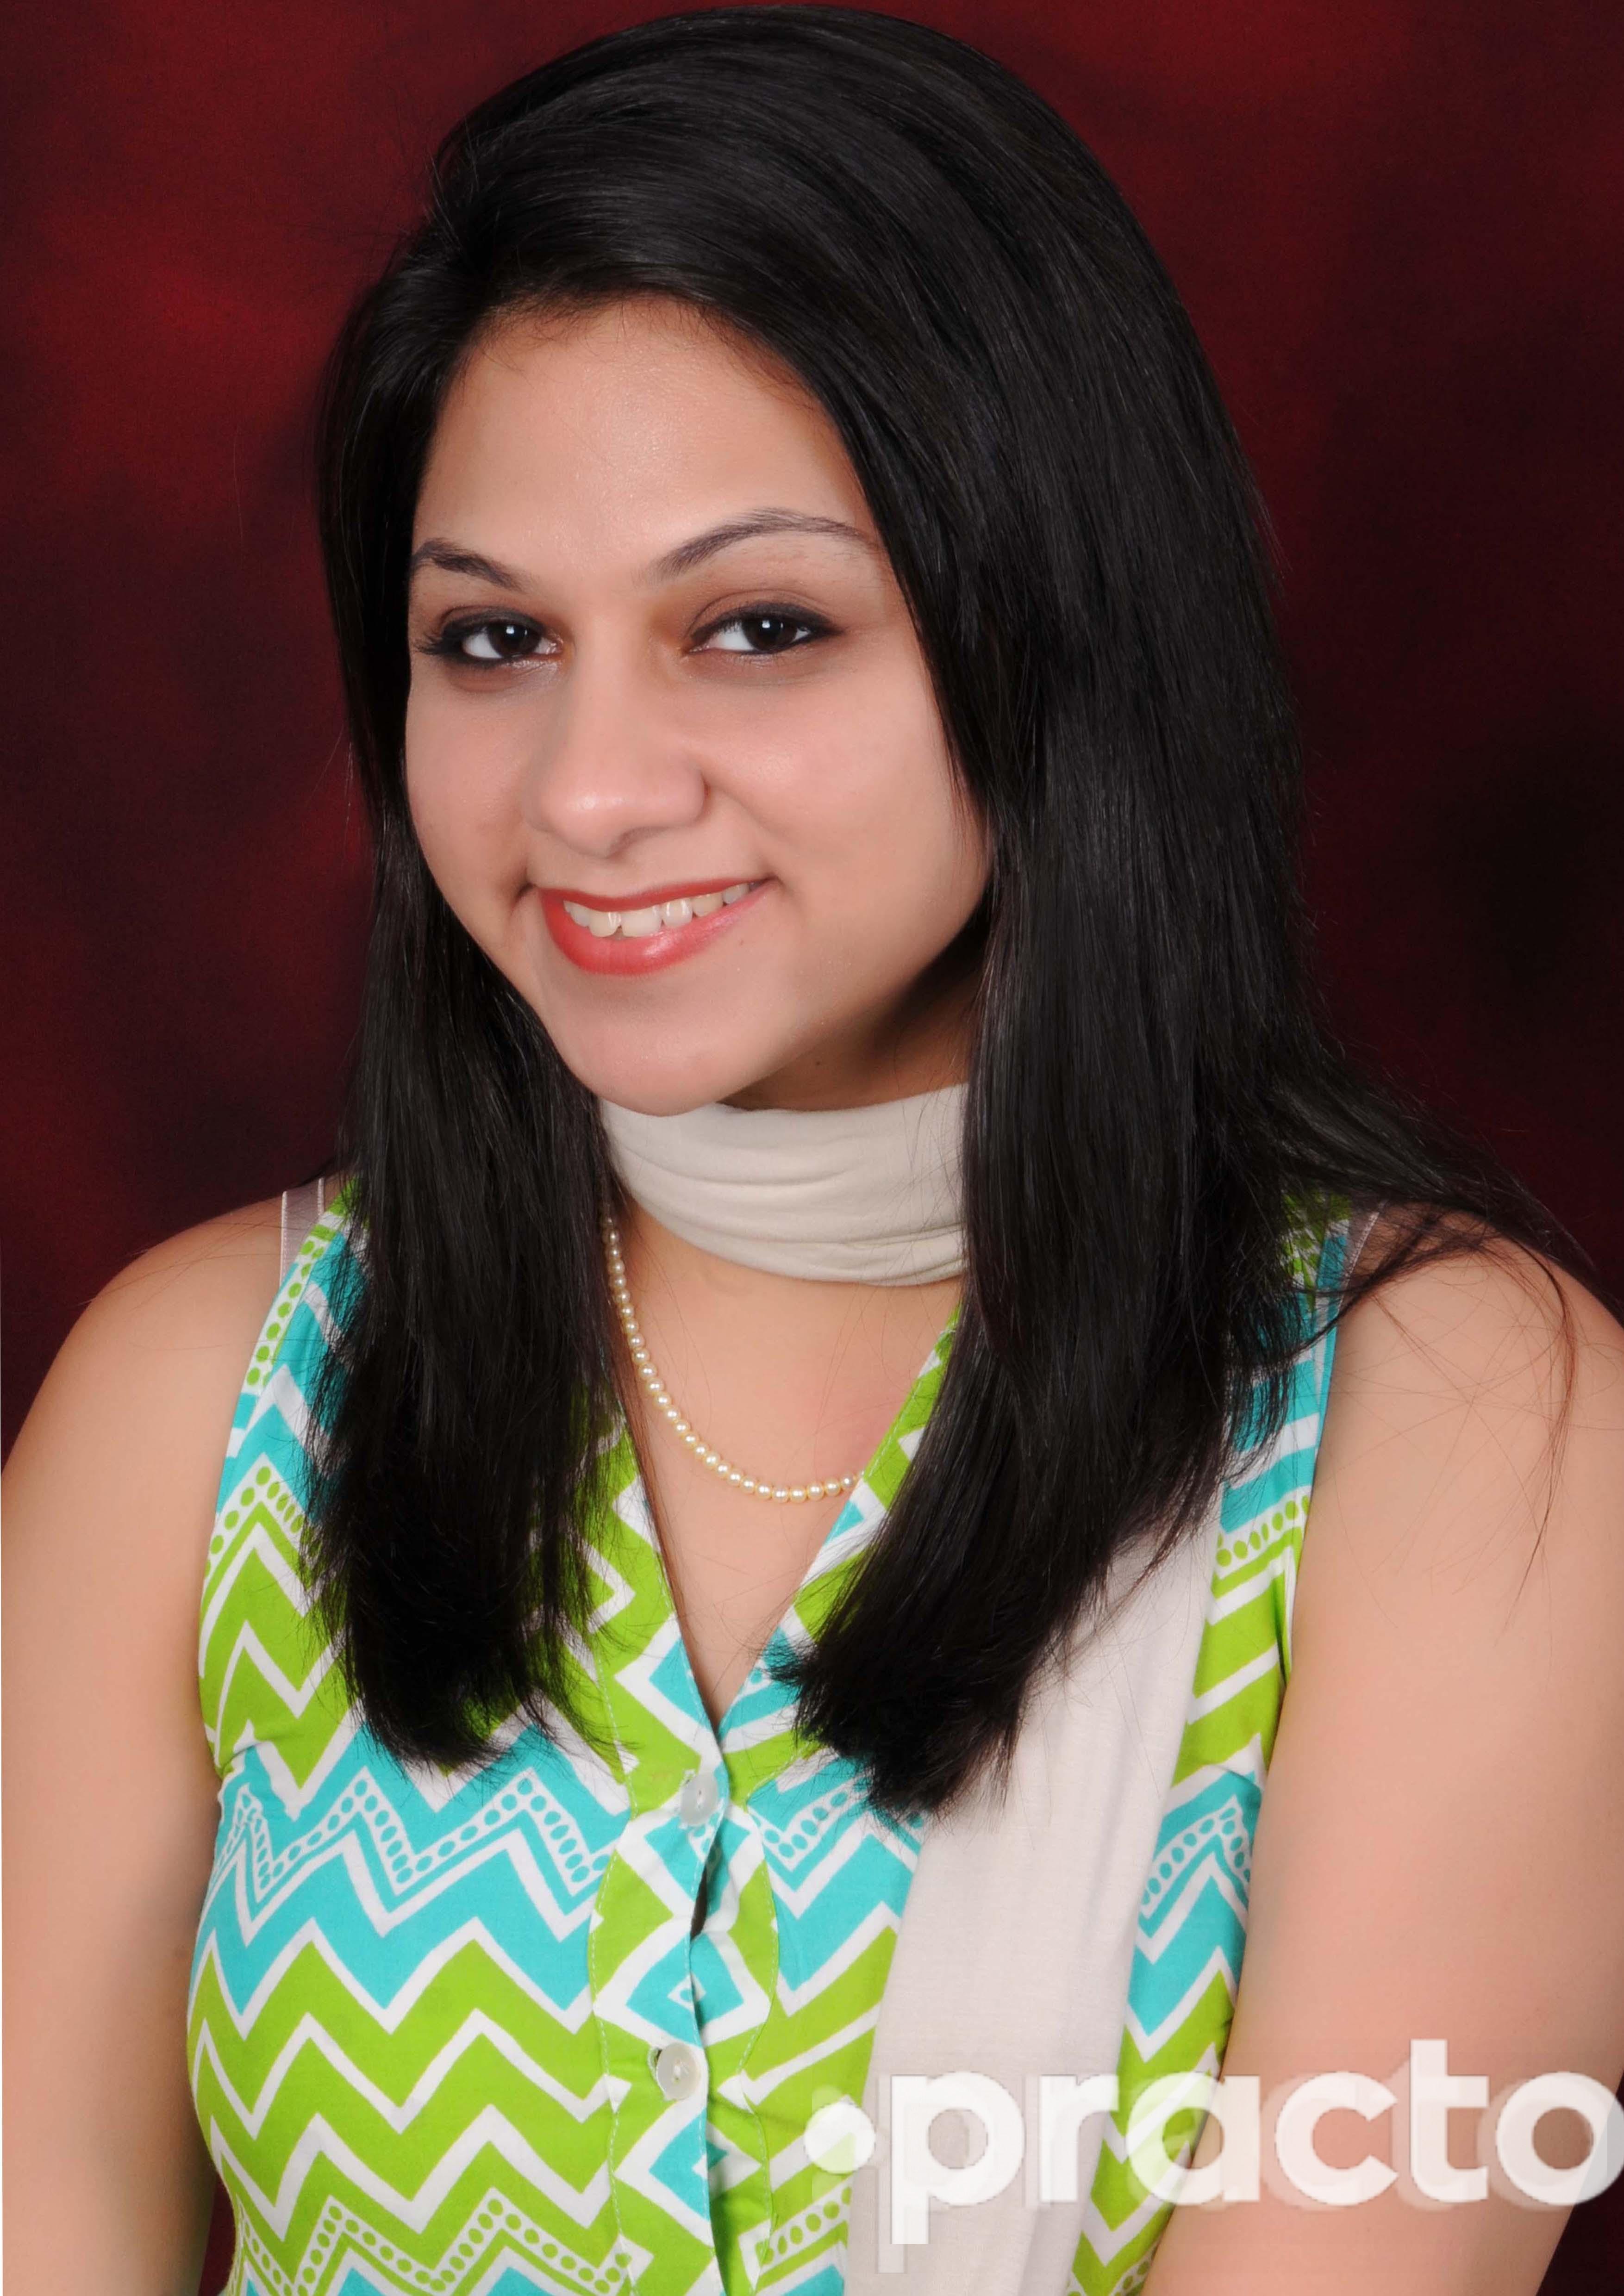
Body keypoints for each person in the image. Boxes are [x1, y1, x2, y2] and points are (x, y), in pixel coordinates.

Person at [6, 8, 1623, 2293]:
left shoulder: (1453, 1424)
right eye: (492, 637)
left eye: (759, 626)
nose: (588, 789)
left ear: (1056, 636)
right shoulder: (206, 1397)